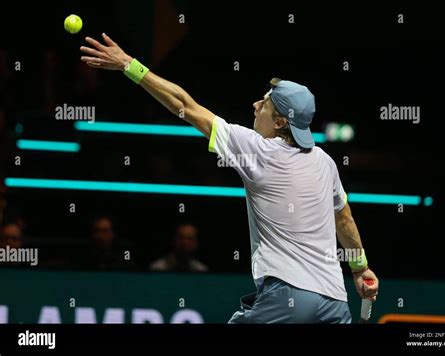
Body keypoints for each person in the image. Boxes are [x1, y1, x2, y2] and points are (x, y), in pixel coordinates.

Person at [79, 34, 379, 323]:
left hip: (288, 298)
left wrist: (128, 65)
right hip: (335, 304)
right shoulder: (325, 162)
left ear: (280, 121)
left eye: (265, 103)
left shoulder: (256, 149)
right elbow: (345, 220)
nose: (255, 106)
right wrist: (360, 268)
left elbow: (185, 104)